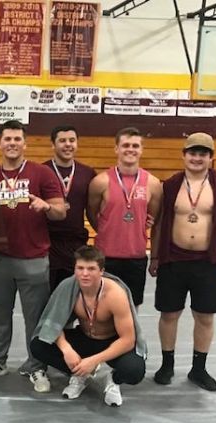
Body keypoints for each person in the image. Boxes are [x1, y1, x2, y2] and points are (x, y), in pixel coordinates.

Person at [0, 119, 66, 392]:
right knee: (0, 316)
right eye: (7, 139)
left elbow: (61, 211)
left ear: (25, 143)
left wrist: (46, 206)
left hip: (33, 258)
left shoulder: (42, 174)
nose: (12, 143)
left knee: (35, 318)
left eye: (17, 139)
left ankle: (36, 366)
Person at [150, 133, 216, 392]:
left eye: (203, 153)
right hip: (173, 260)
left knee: (205, 317)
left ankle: (199, 368)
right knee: (169, 314)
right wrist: (155, 256)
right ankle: (167, 364)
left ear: (211, 157)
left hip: (209, 262)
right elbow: (158, 223)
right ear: (184, 154)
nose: (197, 158)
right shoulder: (170, 185)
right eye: (193, 152)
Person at [31, 245, 146, 407]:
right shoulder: (67, 287)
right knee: (38, 345)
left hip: (112, 341)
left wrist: (93, 361)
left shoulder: (115, 294)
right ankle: (80, 374)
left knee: (134, 371)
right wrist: (67, 350)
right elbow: (53, 323)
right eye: (80, 268)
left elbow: (128, 340)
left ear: (101, 271)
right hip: (85, 337)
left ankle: (113, 380)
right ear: (75, 269)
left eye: (91, 269)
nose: (85, 274)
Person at [87, 127, 162, 308]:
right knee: (101, 309)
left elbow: (156, 221)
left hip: (136, 257)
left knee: (131, 309)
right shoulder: (100, 182)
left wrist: (155, 257)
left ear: (141, 150)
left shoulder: (153, 184)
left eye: (135, 146)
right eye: (125, 145)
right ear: (116, 149)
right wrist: (109, 228)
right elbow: (91, 213)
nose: (130, 149)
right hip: (105, 257)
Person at [43, 125, 96, 291]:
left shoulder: (88, 173)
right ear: (53, 144)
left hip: (76, 244)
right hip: (47, 244)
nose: (68, 144)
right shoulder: (41, 171)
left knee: (75, 296)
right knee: (48, 297)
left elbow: (94, 210)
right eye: (62, 141)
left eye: (72, 140)